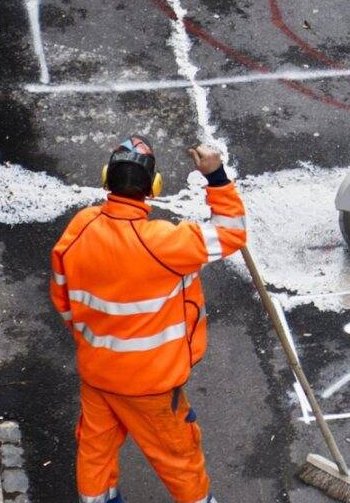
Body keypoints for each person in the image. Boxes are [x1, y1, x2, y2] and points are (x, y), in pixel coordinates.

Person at [50, 136, 247, 503]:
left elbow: (63, 300)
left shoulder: (80, 227)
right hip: (151, 385)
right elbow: (231, 233)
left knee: (96, 451)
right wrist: (216, 176)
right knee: (178, 458)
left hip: (97, 372)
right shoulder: (164, 242)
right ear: (153, 189)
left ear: (106, 178)